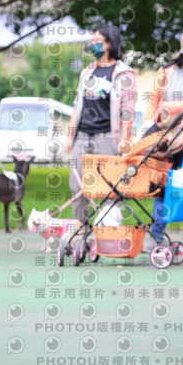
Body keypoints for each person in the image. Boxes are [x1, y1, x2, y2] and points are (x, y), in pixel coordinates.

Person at [142, 32, 183, 253]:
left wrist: (174, 107)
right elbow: (153, 103)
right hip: (164, 140)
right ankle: (156, 235)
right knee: (161, 187)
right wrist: (147, 131)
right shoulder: (166, 72)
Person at [65, 24, 136, 222]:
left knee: (109, 186)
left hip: (107, 137)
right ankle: (81, 232)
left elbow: (127, 112)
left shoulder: (124, 73)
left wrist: (124, 141)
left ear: (110, 44)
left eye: (98, 41)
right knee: (77, 186)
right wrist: (70, 137)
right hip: (83, 135)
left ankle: (109, 231)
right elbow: (77, 106)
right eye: (92, 41)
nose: (93, 45)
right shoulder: (87, 72)